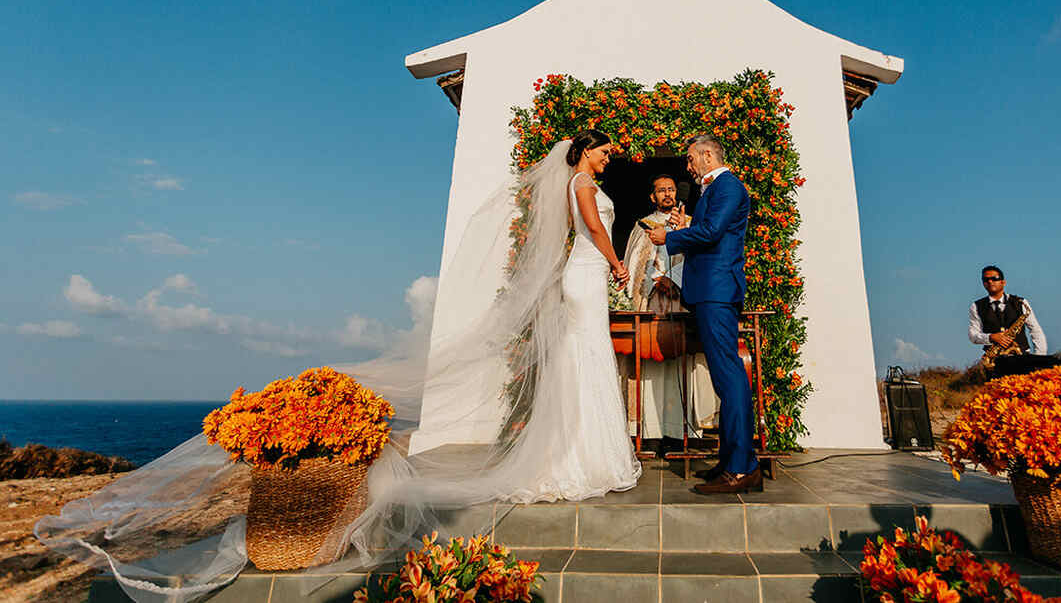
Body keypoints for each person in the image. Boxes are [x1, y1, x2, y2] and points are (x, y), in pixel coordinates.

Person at [36, 131, 642, 601]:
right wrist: (616, 263)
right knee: (583, 357)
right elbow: (591, 229)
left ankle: (583, 451)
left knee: (581, 360)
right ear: (582, 155)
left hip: (583, 277)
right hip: (588, 274)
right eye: (603, 151)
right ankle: (580, 456)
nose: (608, 157)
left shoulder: (583, 183)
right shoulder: (582, 188)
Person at [648, 134, 760, 494]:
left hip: (717, 292)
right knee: (725, 379)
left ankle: (742, 468)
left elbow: (712, 234)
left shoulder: (728, 187)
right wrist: (685, 228)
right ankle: (730, 462)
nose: (688, 165)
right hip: (708, 292)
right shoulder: (713, 191)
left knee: (730, 378)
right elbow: (709, 231)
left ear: (707, 155)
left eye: (691, 158)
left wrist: (671, 237)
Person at [621, 174, 715, 449]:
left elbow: (698, 258)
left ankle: (685, 429)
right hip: (651, 302)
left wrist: (675, 279)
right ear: (652, 196)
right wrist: (653, 281)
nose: (667, 194)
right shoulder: (643, 227)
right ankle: (647, 428)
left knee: (683, 361)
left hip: (682, 300)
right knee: (649, 361)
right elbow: (636, 263)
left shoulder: (691, 223)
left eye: (671, 189)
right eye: (661, 190)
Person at [968, 265, 1048, 359]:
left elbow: (1035, 330)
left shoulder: (1020, 302)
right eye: (986, 280)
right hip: (994, 359)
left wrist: (1040, 357)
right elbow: (973, 335)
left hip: (1021, 357)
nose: (990, 281)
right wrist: (990, 337)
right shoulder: (976, 306)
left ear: (1003, 282)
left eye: (994, 278)